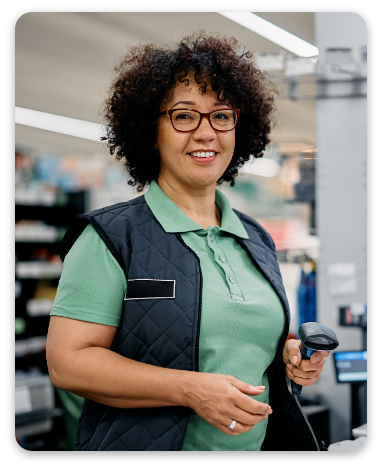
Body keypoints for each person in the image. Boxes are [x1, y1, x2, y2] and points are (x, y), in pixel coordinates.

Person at [46, 32, 329, 451]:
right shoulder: (112, 237)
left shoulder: (255, 237)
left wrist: (290, 360)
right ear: (151, 129)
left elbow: (245, 341)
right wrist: (188, 389)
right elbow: (68, 363)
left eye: (221, 115)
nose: (205, 132)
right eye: (183, 116)